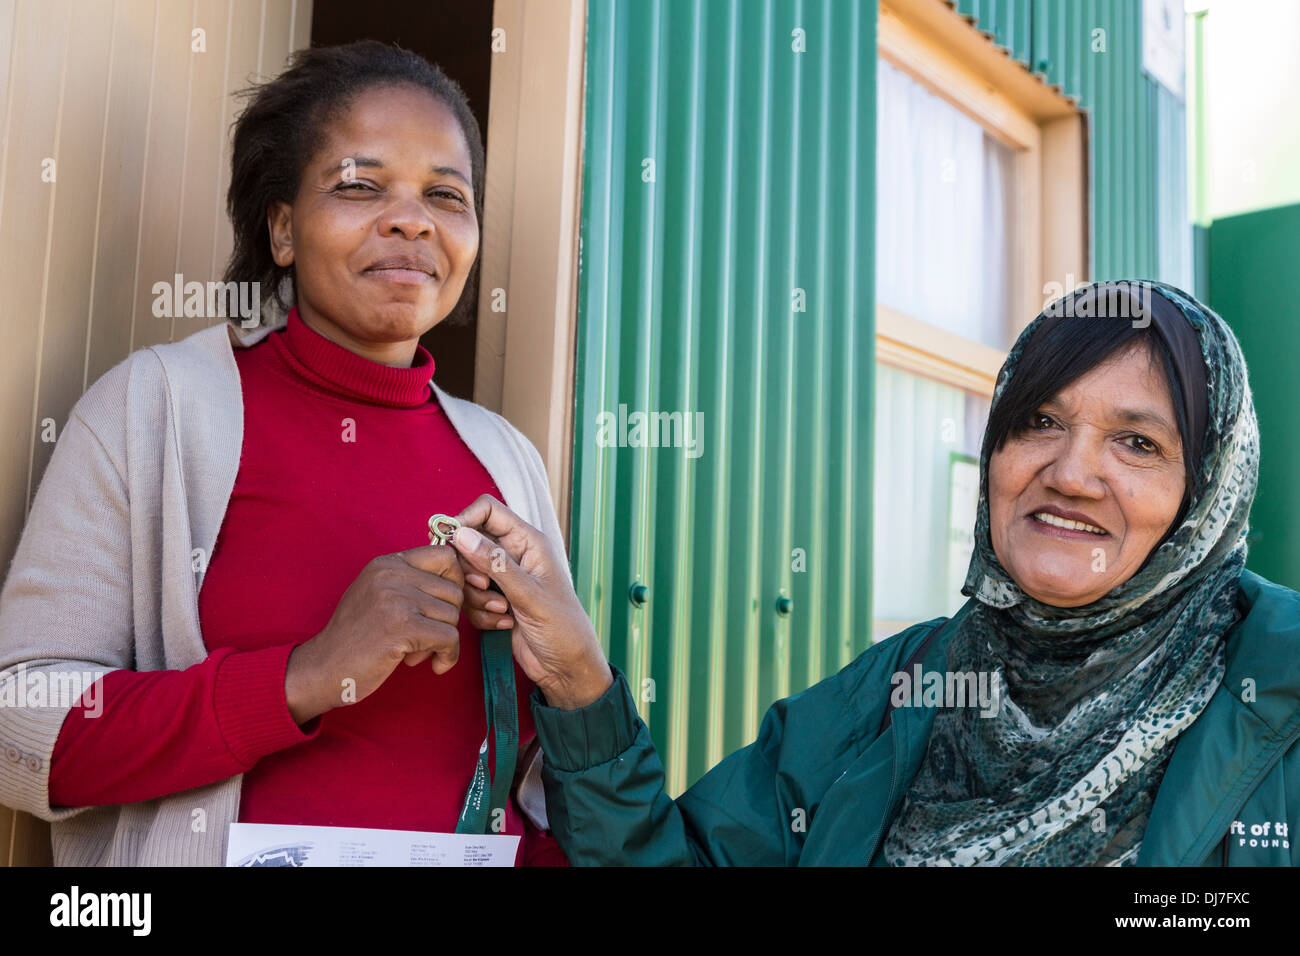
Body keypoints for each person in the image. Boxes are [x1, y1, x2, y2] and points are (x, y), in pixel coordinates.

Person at [450, 280, 1300, 866]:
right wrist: (577, 680)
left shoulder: (1279, 691)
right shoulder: (909, 688)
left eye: (1138, 442)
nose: (1072, 473)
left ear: (1209, 488)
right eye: (1040, 420)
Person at [0, 41, 568, 866]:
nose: (412, 219)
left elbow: (541, 788)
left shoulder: (507, 460)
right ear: (282, 228)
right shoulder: (155, 409)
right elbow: (22, 722)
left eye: (446, 195)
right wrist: (306, 675)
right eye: (360, 185)